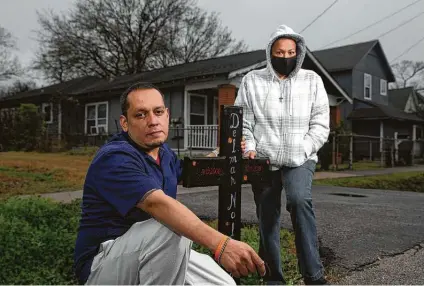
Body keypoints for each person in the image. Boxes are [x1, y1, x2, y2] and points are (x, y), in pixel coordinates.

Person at [73, 82, 266, 285]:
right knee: (170, 227)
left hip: (151, 249)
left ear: (167, 115)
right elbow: (157, 205)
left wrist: (221, 153)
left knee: (222, 283)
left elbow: (190, 172)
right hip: (102, 265)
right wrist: (221, 244)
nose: (152, 121)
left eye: (158, 112)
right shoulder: (115, 158)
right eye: (140, 114)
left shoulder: (163, 154)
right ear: (124, 123)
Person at [234, 24, 330, 285]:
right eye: (280, 52)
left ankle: (313, 275)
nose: (285, 57)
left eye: (290, 52)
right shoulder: (252, 81)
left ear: (298, 53)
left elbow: (321, 124)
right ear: (270, 52)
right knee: (267, 214)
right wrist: (250, 148)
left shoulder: (312, 81)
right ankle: (272, 278)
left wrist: (304, 148)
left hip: (301, 157)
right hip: (263, 159)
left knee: (299, 201)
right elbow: (243, 122)